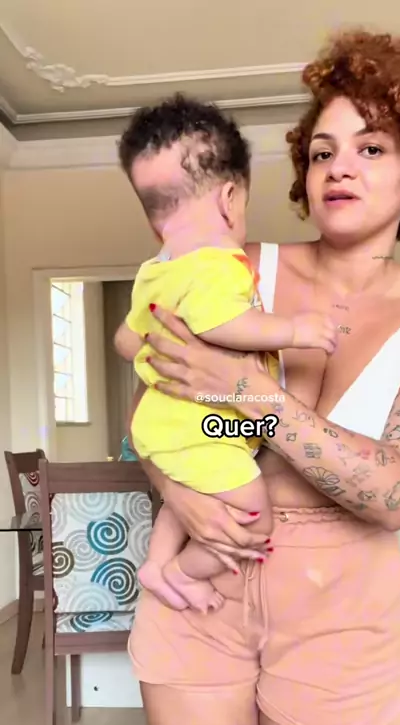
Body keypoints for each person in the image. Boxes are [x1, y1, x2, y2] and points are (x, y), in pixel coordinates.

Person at [127, 30, 400, 725]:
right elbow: (154, 405)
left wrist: (250, 394)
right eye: (322, 152)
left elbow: (399, 492)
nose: (338, 168)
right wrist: (179, 494)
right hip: (202, 580)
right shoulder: (235, 268)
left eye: (370, 147)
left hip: (338, 599)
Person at [114, 95, 333, 615]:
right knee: (255, 519)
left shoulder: (156, 272)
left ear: (154, 221)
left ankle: (155, 562)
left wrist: (163, 347)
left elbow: (125, 341)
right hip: (203, 428)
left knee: (192, 485)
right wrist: (294, 330)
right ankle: (180, 572)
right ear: (230, 199)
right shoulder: (219, 264)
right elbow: (223, 323)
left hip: (163, 427)